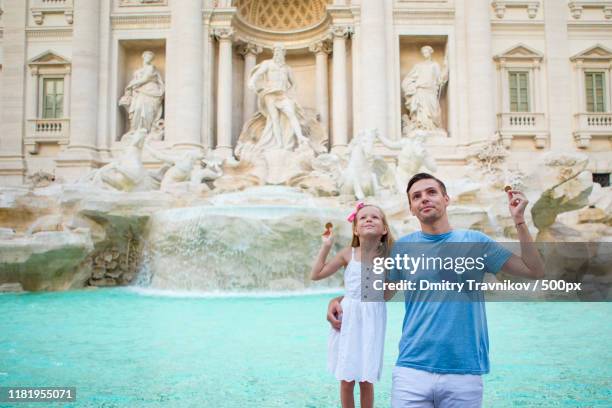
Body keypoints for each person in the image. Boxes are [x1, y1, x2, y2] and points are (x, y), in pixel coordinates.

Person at [327, 173, 545, 407]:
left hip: (464, 372)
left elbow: (534, 271)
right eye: (416, 196)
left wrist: (520, 222)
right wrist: (338, 299)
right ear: (411, 208)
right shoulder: (402, 249)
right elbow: (376, 295)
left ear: (446, 199)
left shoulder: (476, 241)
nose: (424, 199)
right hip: (410, 371)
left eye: (431, 192)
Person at [311, 203, 395, 408]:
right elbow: (316, 274)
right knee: (347, 378)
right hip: (348, 317)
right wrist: (326, 246)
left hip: (372, 316)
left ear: (384, 229)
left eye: (375, 217)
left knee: (367, 378)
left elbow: (385, 296)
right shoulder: (348, 253)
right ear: (356, 229)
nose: (368, 220)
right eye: (363, 218)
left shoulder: (389, 257)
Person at [401, 46, 448, 133]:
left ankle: (433, 127)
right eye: (423, 53)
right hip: (420, 90)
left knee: (433, 109)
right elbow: (408, 78)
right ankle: (421, 127)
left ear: (430, 52)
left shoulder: (435, 65)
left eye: (426, 52)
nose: (425, 54)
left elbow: (439, 78)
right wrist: (411, 86)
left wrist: (445, 67)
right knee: (421, 111)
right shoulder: (418, 66)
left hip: (431, 90)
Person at [119, 50, 165, 134]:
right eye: (147, 56)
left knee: (148, 111)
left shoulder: (151, 68)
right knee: (138, 108)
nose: (149, 58)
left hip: (151, 91)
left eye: (151, 57)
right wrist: (132, 87)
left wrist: (131, 84)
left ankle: (146, 130)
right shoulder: (138, 71)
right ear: (143, 57)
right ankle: (136, 129)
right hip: (140, 92)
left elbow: (145, 79)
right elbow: (136, 81)